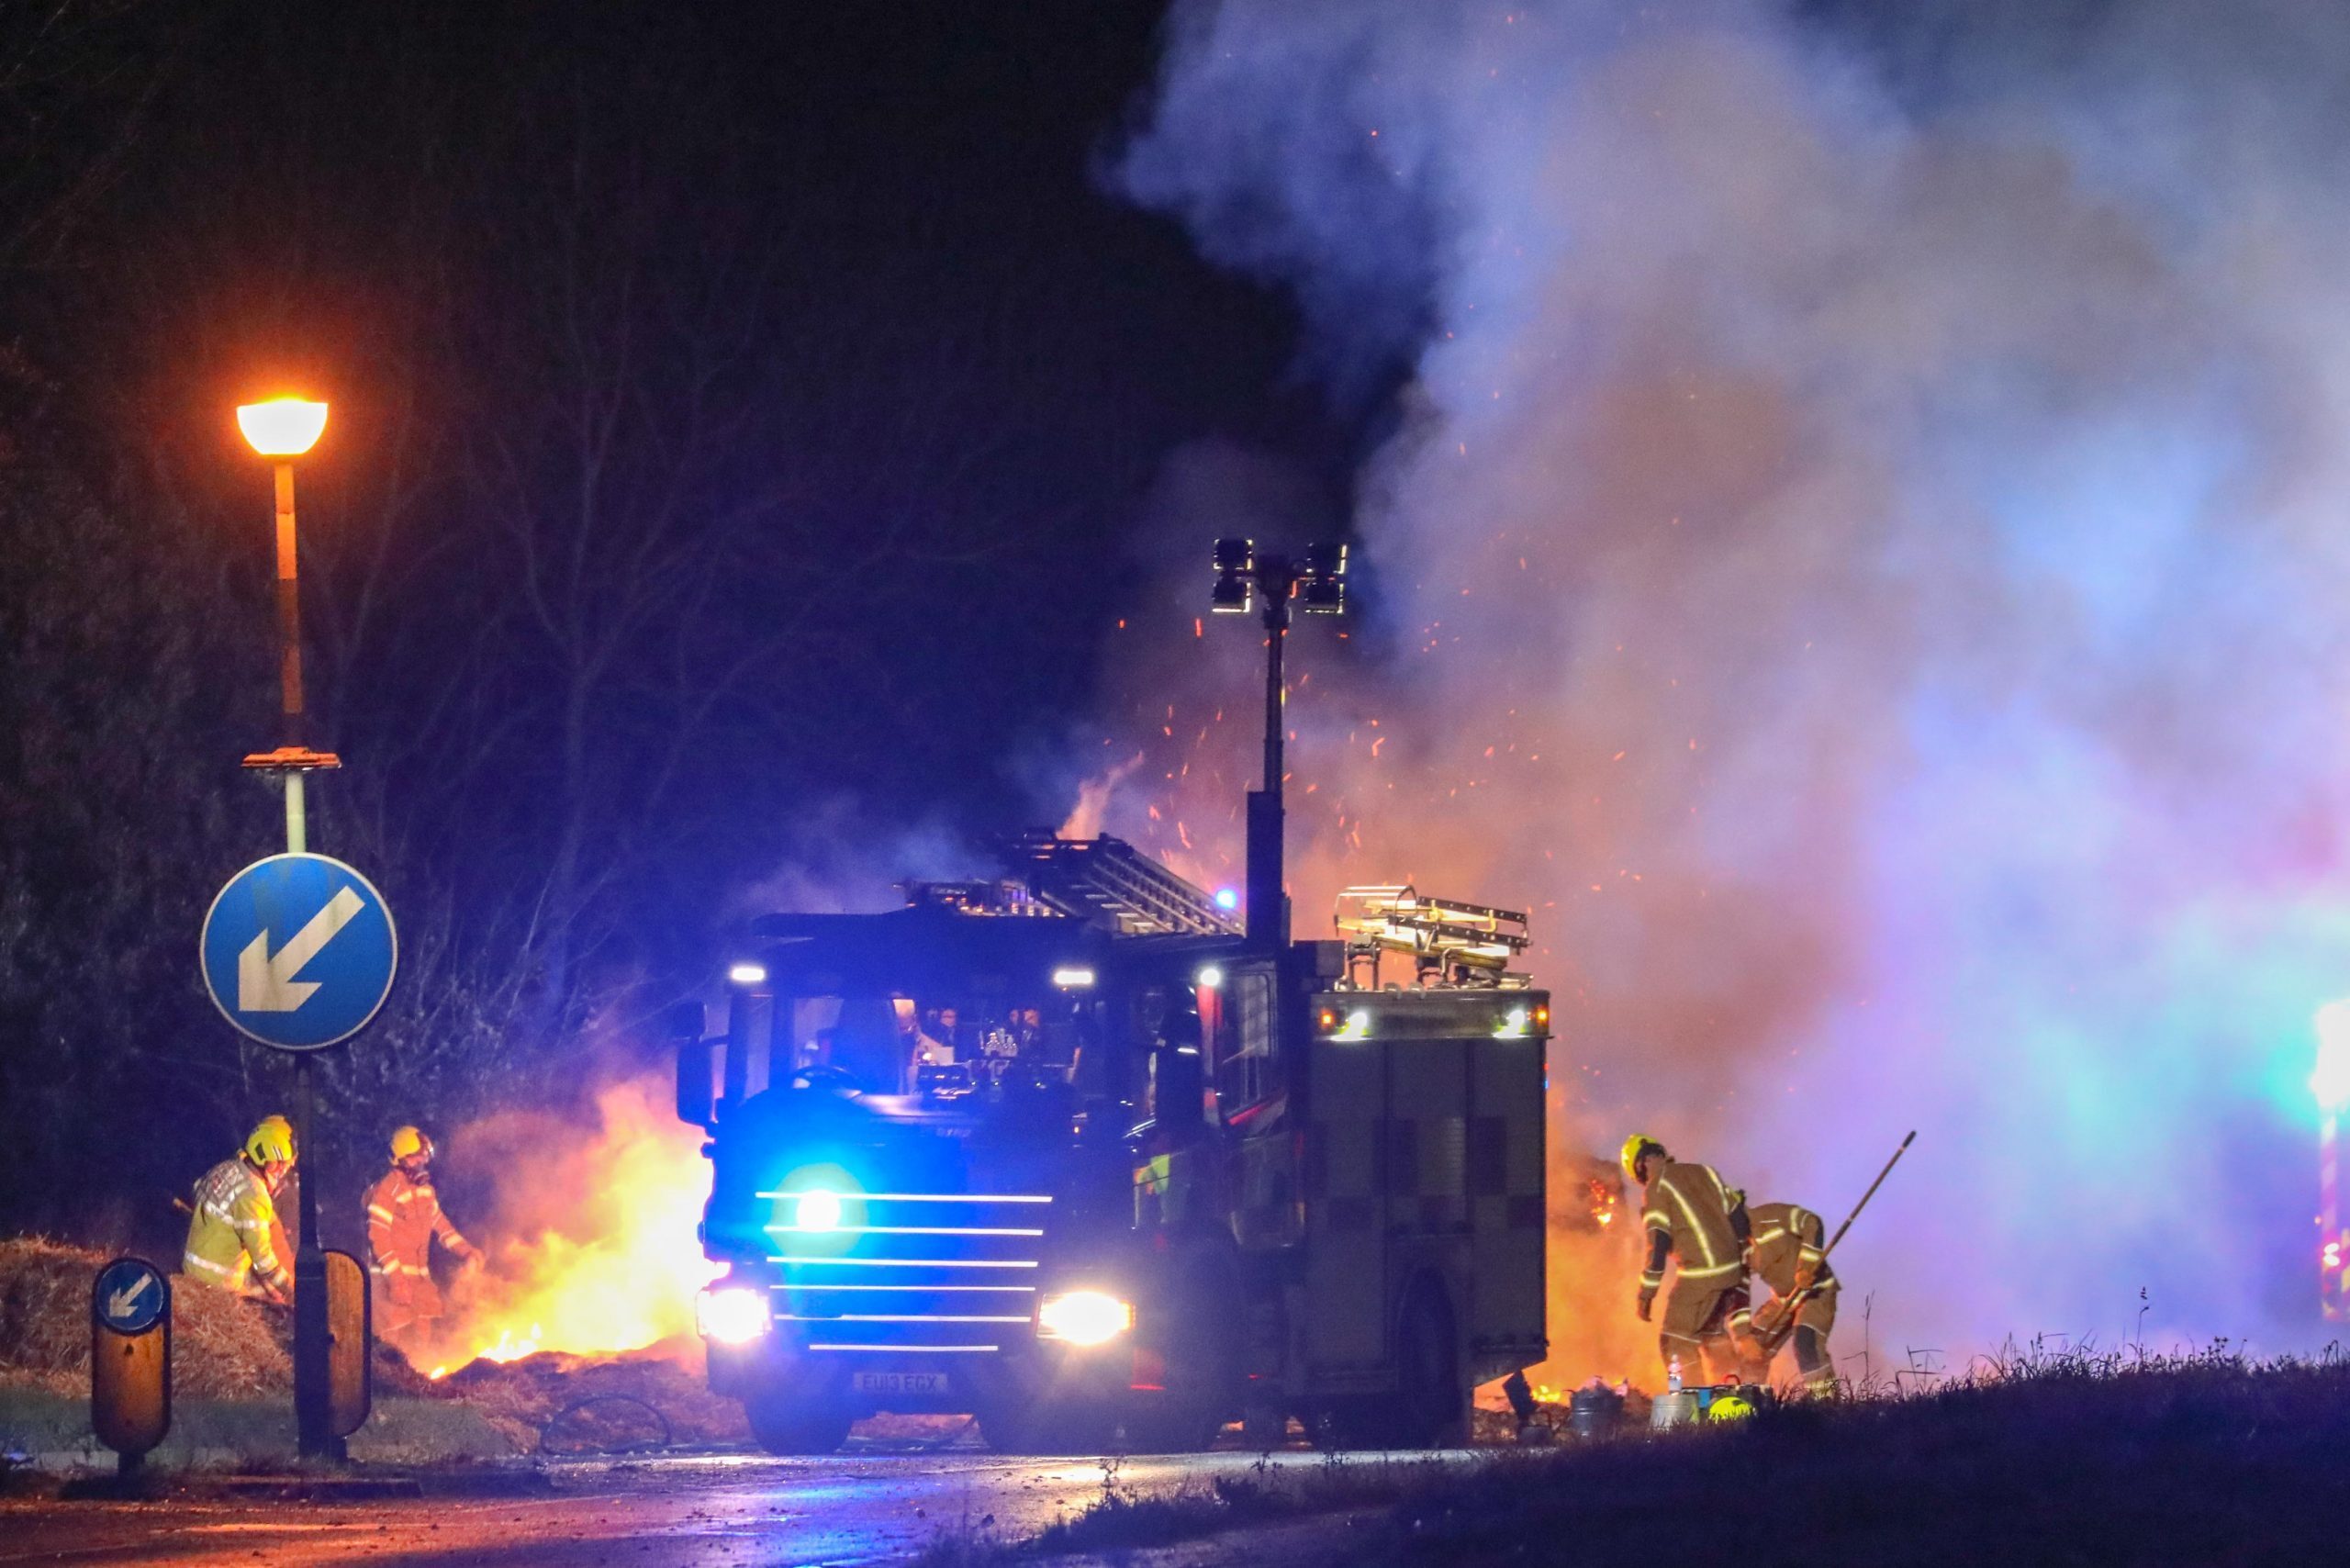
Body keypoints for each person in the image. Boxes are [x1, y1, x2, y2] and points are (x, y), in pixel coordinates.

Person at [1623, 1133, 1759, 1385]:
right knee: (1711, 1334)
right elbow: (1738, 1216)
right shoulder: (1705, 1172)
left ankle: (1691, 1407)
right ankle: (1731, 1395)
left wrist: (1646, 1294)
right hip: (1731, 1269)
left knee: (1675, 1339)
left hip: (1702, 1274)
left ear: (1641, 1166)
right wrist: (1746, 1254)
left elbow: (1658, 1245)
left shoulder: (1657, 1187)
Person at [364, 1126, 482, 1344]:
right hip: (389, 1281)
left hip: (419, 1281)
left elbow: (443, 1228)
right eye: (415, 1158)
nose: (421, 1164)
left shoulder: (426, 1191)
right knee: (390, 1344)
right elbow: (377, 1237)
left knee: (422, 1341)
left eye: (423, 1158)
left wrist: (467, 1251)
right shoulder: (386, 1191)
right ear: (400, 1159)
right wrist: (396, 1280)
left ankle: (422, 1375)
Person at [183, 1116, 297, 1304]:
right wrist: (292, 1292)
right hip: (218, 1288)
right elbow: (264, 1262)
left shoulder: (226, 1168)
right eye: (281, 1166)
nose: (281, 1173)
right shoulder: (254, 1196)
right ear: (269, 1161)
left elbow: (197, 1191)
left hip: (191, 1272)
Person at [1746, 1199, 1840, 1394]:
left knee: (1806, 1343)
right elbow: (1735, 1292)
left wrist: (1806, 1266)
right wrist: (1742, 1338)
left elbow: (1811, 1222)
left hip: (1816, 1291)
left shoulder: (1769, 1217)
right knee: (1752, 1348)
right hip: (1782, 1300)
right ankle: (1752, 1408)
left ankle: (1828, 1405)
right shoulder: (1730, 1246)